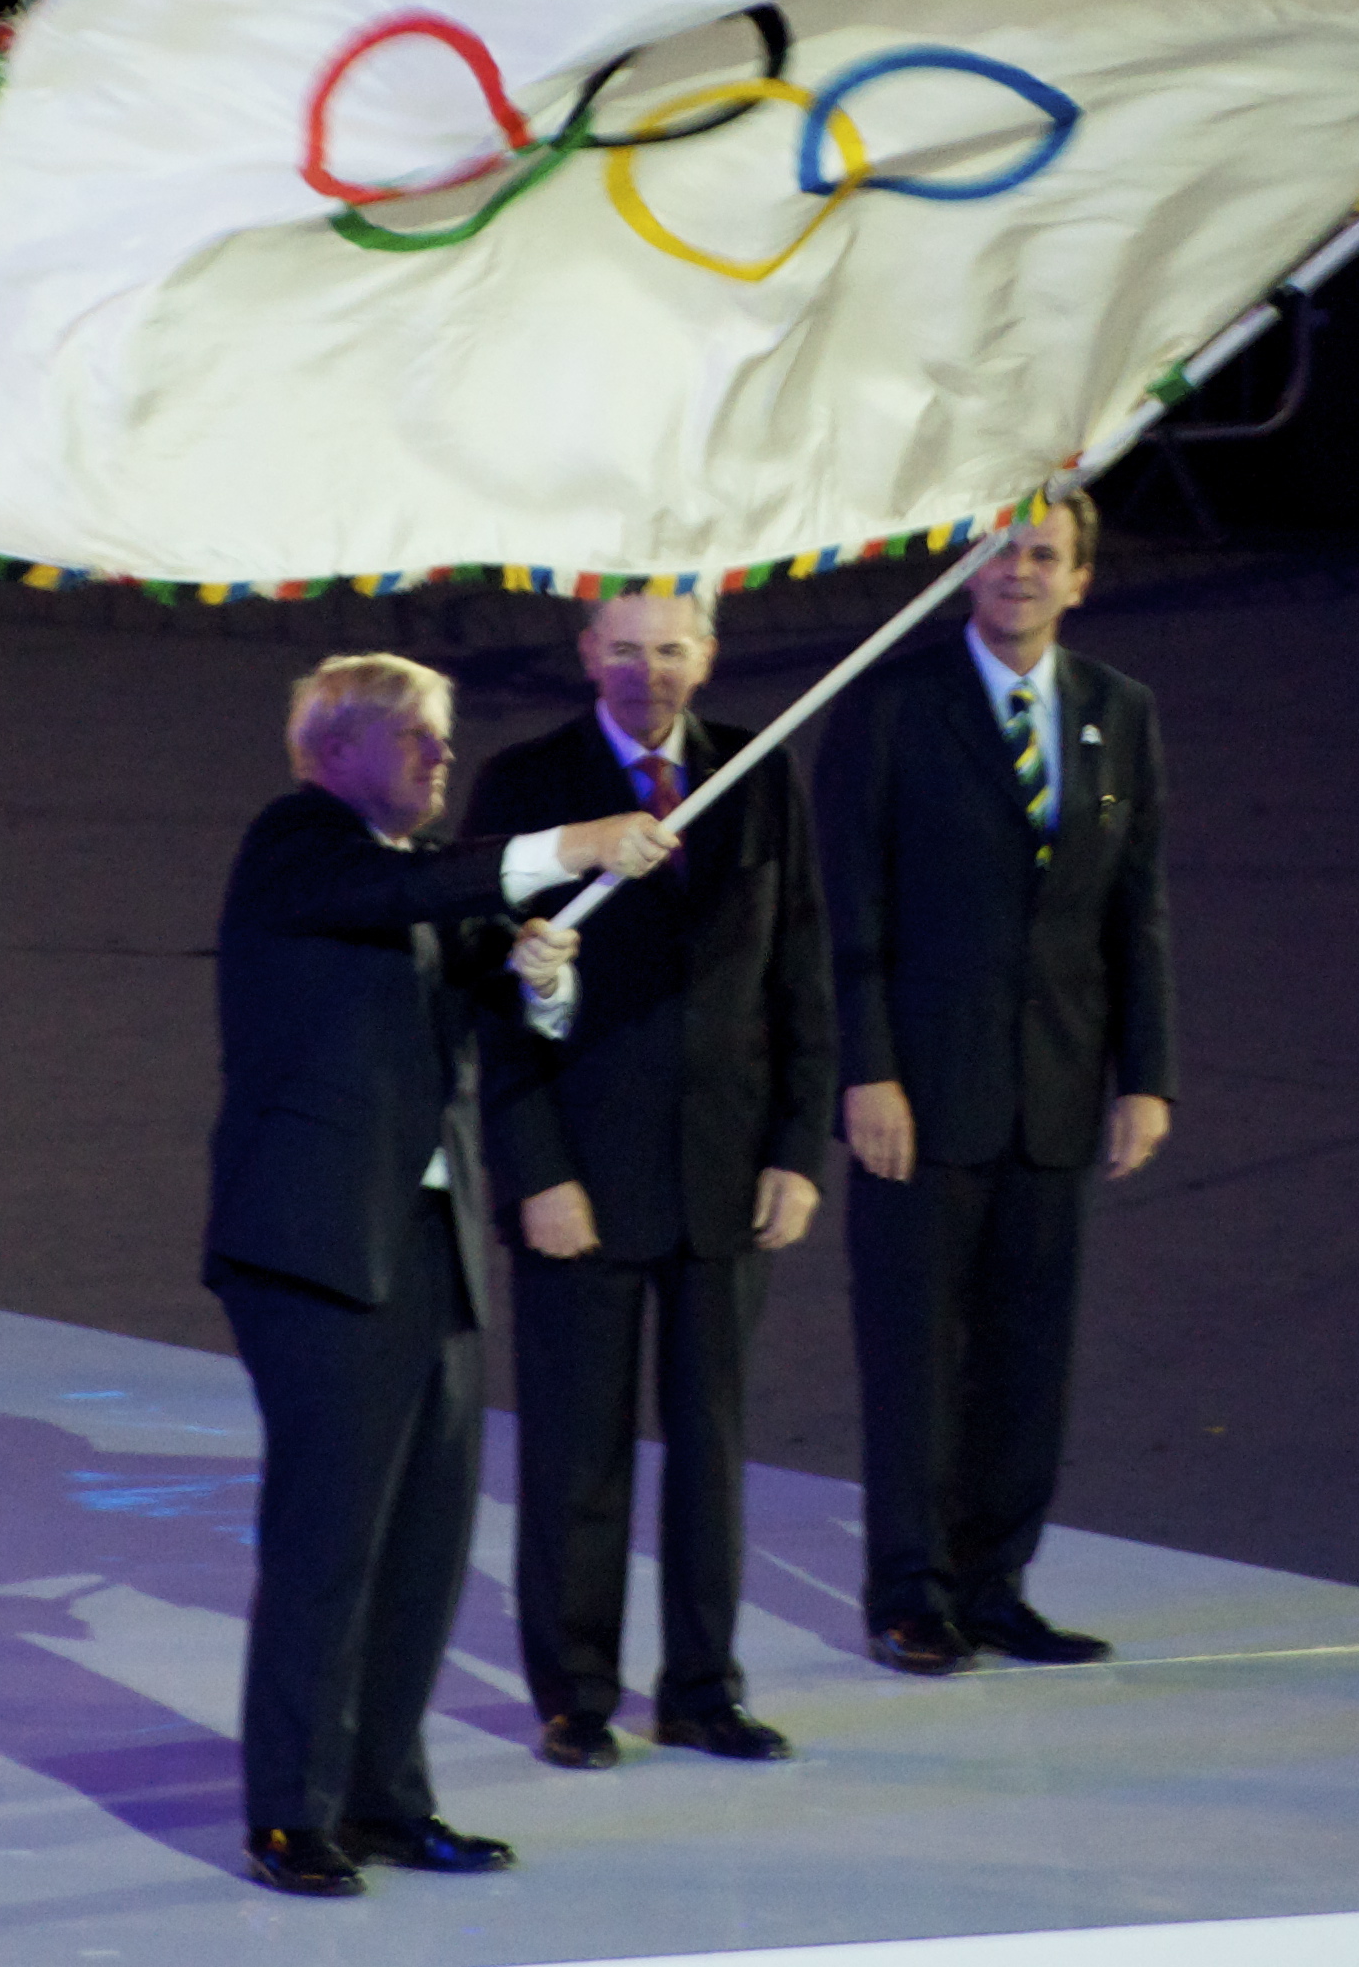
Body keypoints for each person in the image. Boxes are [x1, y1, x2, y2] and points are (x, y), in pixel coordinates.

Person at [206, 652, 675, 1899]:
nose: (438, 757)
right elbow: (444, 883)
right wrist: (573, 839)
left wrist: (546, 981)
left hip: (428, 1248)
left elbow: (493, 975)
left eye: (444, 738)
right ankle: (287, 1812)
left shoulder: (413, 879)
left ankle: (386, 1799)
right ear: (336, 747)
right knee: (329, 1537)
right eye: (413, 736)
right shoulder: (296, 844)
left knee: (424, 1539)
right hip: (314, 1250)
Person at [467, 589, 836, 1768]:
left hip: (726, 1175)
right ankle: (574, 1694)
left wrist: (794, 1148)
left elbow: (802, 971)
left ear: (707, 655)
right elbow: (491, 996)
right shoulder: (525, 787)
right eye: (623, 650)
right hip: (581, 1180)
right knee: (576, 1450)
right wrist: (536, 1171)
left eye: (669, 649)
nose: (648, 672)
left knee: (711, 1447)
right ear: (586, 654)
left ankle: (701, 1686)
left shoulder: (761, 773)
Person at [814, 492, 1174, 1675]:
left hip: (1058, 1092)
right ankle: (910, 1593)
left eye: (1042, 556)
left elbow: (1137, 911)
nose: (1018, 573)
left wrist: (1144, 1076)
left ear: (1079, 579)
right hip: (919, 1094)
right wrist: (866, 1069)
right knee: (916, 1354)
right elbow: (847, 907)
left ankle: (995, 1583)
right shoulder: (889, 706)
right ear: (963, 571)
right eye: (999, 552)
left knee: (1028, 1355)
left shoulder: (1118, 713)